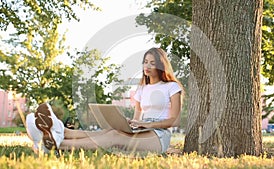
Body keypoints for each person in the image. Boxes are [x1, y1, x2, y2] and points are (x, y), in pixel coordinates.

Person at [26, 47, 184, 154]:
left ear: (162, 65)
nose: (147, 66)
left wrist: (148, 124)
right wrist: (132, 123)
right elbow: (138, 116)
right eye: (145, 62)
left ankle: (56, 145)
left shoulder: (171, 87)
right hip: (143, 129)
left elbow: (174, 121)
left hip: (159, 136)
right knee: (109, 131)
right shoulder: (142, 88)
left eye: (152, 63)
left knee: (114, 137)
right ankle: (59, 130)